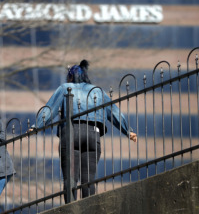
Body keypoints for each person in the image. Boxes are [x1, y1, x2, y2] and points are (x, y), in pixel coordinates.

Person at [30, 60, 137, 202]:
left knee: (70, 178)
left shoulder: (65, 88)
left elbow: (50, 109)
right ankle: (88, 209)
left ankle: (70, 209)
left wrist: (36, 126)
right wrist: (127, 130)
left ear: (71, 77)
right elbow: (113, 111)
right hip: (93, 134)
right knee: (88, 179)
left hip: (71, 132)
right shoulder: (97, 91)